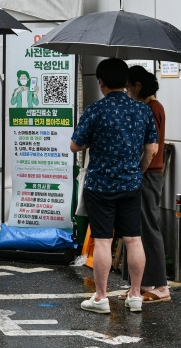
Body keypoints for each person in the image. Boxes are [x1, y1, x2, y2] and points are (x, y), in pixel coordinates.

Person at [71, 58, 158, 314]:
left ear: (101, 82)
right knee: (133, 239)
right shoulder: (143, 110)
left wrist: (91, 141)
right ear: (126, 82)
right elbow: (152, 150)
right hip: (131, 184)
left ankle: (100, 297)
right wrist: (138, 172)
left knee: (102, 241)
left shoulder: (95, 110)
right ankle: (134, 295)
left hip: (100, 185)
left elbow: (75, 145)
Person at [119, 65, 170, 303]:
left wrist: (137, 173)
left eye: (129, 87)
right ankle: (142, 285)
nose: (127, 91)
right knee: (138, 229)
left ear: (138, 86)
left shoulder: (152, 108)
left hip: (148, 175)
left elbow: (151, 150)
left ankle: (161, 286)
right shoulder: (149, 108)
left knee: (148, 228)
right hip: (147, 174)